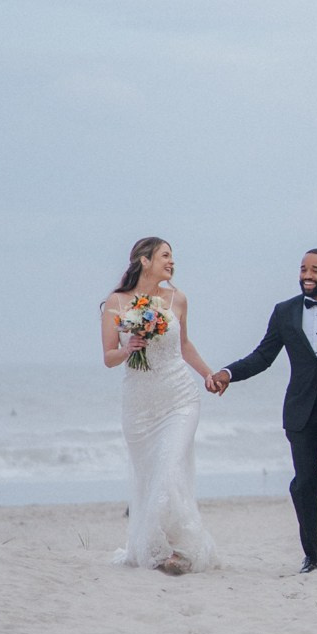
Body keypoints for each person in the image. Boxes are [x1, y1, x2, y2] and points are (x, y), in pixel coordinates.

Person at [209, 249, 317, 573]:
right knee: (304, 484)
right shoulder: (284, 311)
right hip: (301, 411)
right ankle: (312, 556)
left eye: (315, 270)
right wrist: (228, 373)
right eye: (303, 269)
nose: (307, 276)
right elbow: (263, 356)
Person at [99, 236, 220, 575]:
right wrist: (128, 348)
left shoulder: (177, 299)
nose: (171, 262)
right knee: (150, 478)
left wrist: (208, 374)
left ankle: (181, 550)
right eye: (165, 256)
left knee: (169, 471)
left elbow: (184, 345)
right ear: (144, 260)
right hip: (139, 405)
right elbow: (108, 357)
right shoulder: (117, 302)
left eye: (172, 256)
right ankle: (156, 546)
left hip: (180, 398)